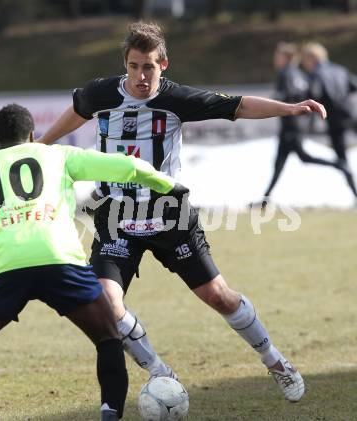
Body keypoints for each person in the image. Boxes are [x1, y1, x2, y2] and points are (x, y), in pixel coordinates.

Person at [39, 22, 328, 402]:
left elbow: (237, 106)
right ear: (125, 64)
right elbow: (77, 111)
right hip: (115, 219)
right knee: (107, 305)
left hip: (169, 215)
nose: (141, 77)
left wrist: (289, 108)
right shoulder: (100, 94)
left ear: (164, 65)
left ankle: (275, 361)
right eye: (134, 66)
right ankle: (160, 373)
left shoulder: (177, 99)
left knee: (219, 296)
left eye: (149, 67)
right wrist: (40, 146)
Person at [0, 103, 185, 421]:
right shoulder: (59, 155)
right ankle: (110, 414)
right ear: (31, 135)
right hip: (61, 260)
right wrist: (168, 186)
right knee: (108, 339)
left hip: (3, 268)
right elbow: (126, 166)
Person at [258, 42, 349, 205]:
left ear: (286, 57)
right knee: (282, 162)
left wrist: (271, 102)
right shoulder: (300, 74)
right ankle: (265, 199)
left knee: (299, 158)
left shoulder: (287, 74)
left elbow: (290, 96)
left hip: (291, 125)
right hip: (298, 124)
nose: (275, 59)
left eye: (277, 55)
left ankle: (338, 164)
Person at [301, 42, 357, 199]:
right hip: (351, 114)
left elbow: (314, 94)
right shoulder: (339, 69)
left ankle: (355, 194)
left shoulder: (315, 74)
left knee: (342, 159)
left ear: (311, 58)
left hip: (334, 119)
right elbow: (353, 86)